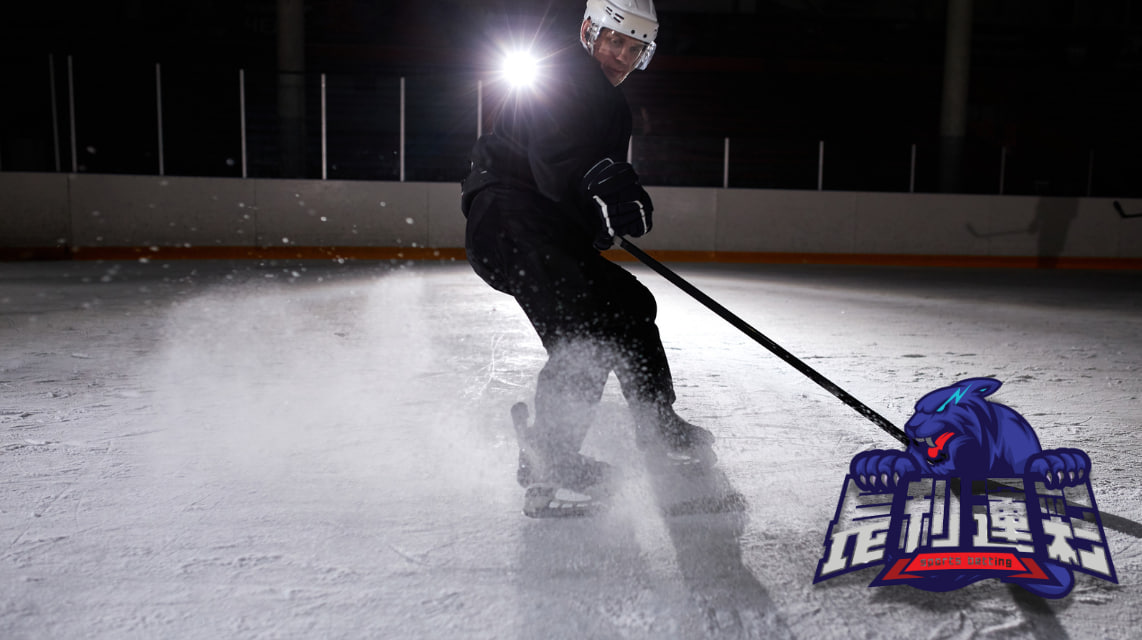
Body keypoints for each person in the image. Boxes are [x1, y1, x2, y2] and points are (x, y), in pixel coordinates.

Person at [460, 0, 713, 517]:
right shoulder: (566, 76)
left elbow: (574, 184)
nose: (620, 54)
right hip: (512, 221)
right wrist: (599, 182)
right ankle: (553, 461)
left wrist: (603, 215)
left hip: (540, 228)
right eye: (613, 40)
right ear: (588, 32)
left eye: (633, 46)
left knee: (629, 302)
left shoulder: (604, 100)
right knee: (585, 336)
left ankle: (656, 419)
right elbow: (558, 158)